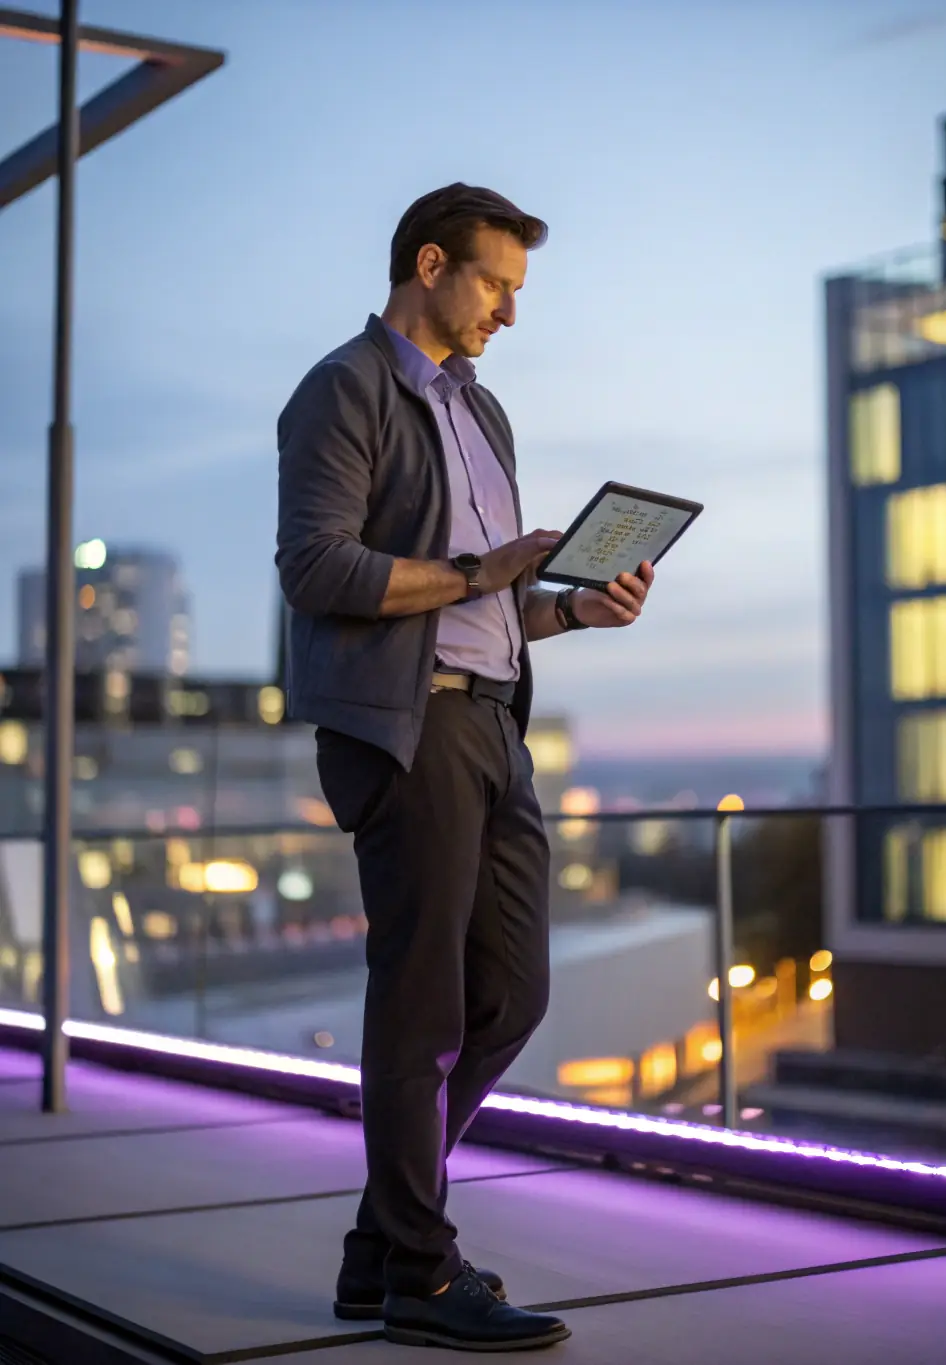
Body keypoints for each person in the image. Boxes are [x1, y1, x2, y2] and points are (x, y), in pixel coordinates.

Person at [276, 183, 654, 1352]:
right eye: (495, 283)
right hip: (409, 728)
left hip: (493, 720)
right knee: (424, 1001)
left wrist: (573, 608)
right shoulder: (343, 389)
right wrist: (483, 571)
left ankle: (381, 1244)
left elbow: (487, 605)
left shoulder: (482, 414)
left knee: (509, 994)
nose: (506, 311)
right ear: (430, 265)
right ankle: (423, 1277)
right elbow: (319, 568)